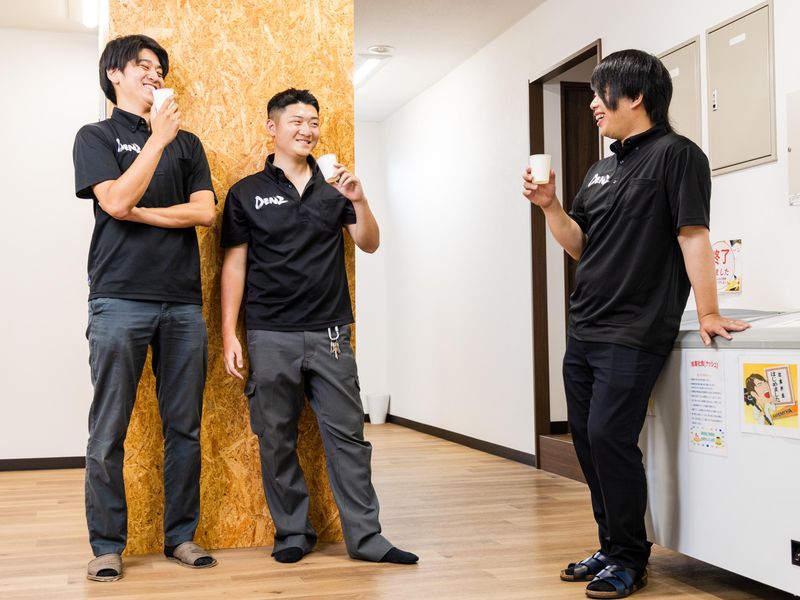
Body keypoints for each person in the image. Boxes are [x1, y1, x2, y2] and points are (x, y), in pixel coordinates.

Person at [522, 49, 749, 598]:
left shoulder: (679, 156)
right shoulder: (600, 169)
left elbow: (692, 235)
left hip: (636, 329)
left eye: (601, 94)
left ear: (637, 95)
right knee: (587, 441)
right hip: (585, 327)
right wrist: (551, 206)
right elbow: (580, 245)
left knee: (610, 437)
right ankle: (610, 545)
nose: (594, 105)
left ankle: (629, 557)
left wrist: (708, 310)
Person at [220, 88, 417, 566]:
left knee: (349, 438)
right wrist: (229, 333)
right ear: (272, 127)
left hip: (330, 333)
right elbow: (234, 265)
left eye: (313, 122)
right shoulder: (246, 192)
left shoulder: (336, 187)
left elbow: (369, 243)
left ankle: (367, 539)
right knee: (276, 437)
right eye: (296, 121)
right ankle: (292, 532)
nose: (307, 130)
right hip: (269, 333)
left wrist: (360, 200)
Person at [73, 34, 217, 582]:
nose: (155, 75)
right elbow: (113, 199)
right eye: (144, 65)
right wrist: (156, 139)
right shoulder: (96, 136)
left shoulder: (189, 144)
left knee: (185, 428)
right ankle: (107, 545)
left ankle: (180, 537)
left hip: (182, 303)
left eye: (160, 68)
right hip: (118, 300)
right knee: (108, 431)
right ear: (115, 73)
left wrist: (138, 212)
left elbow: (203, 213)